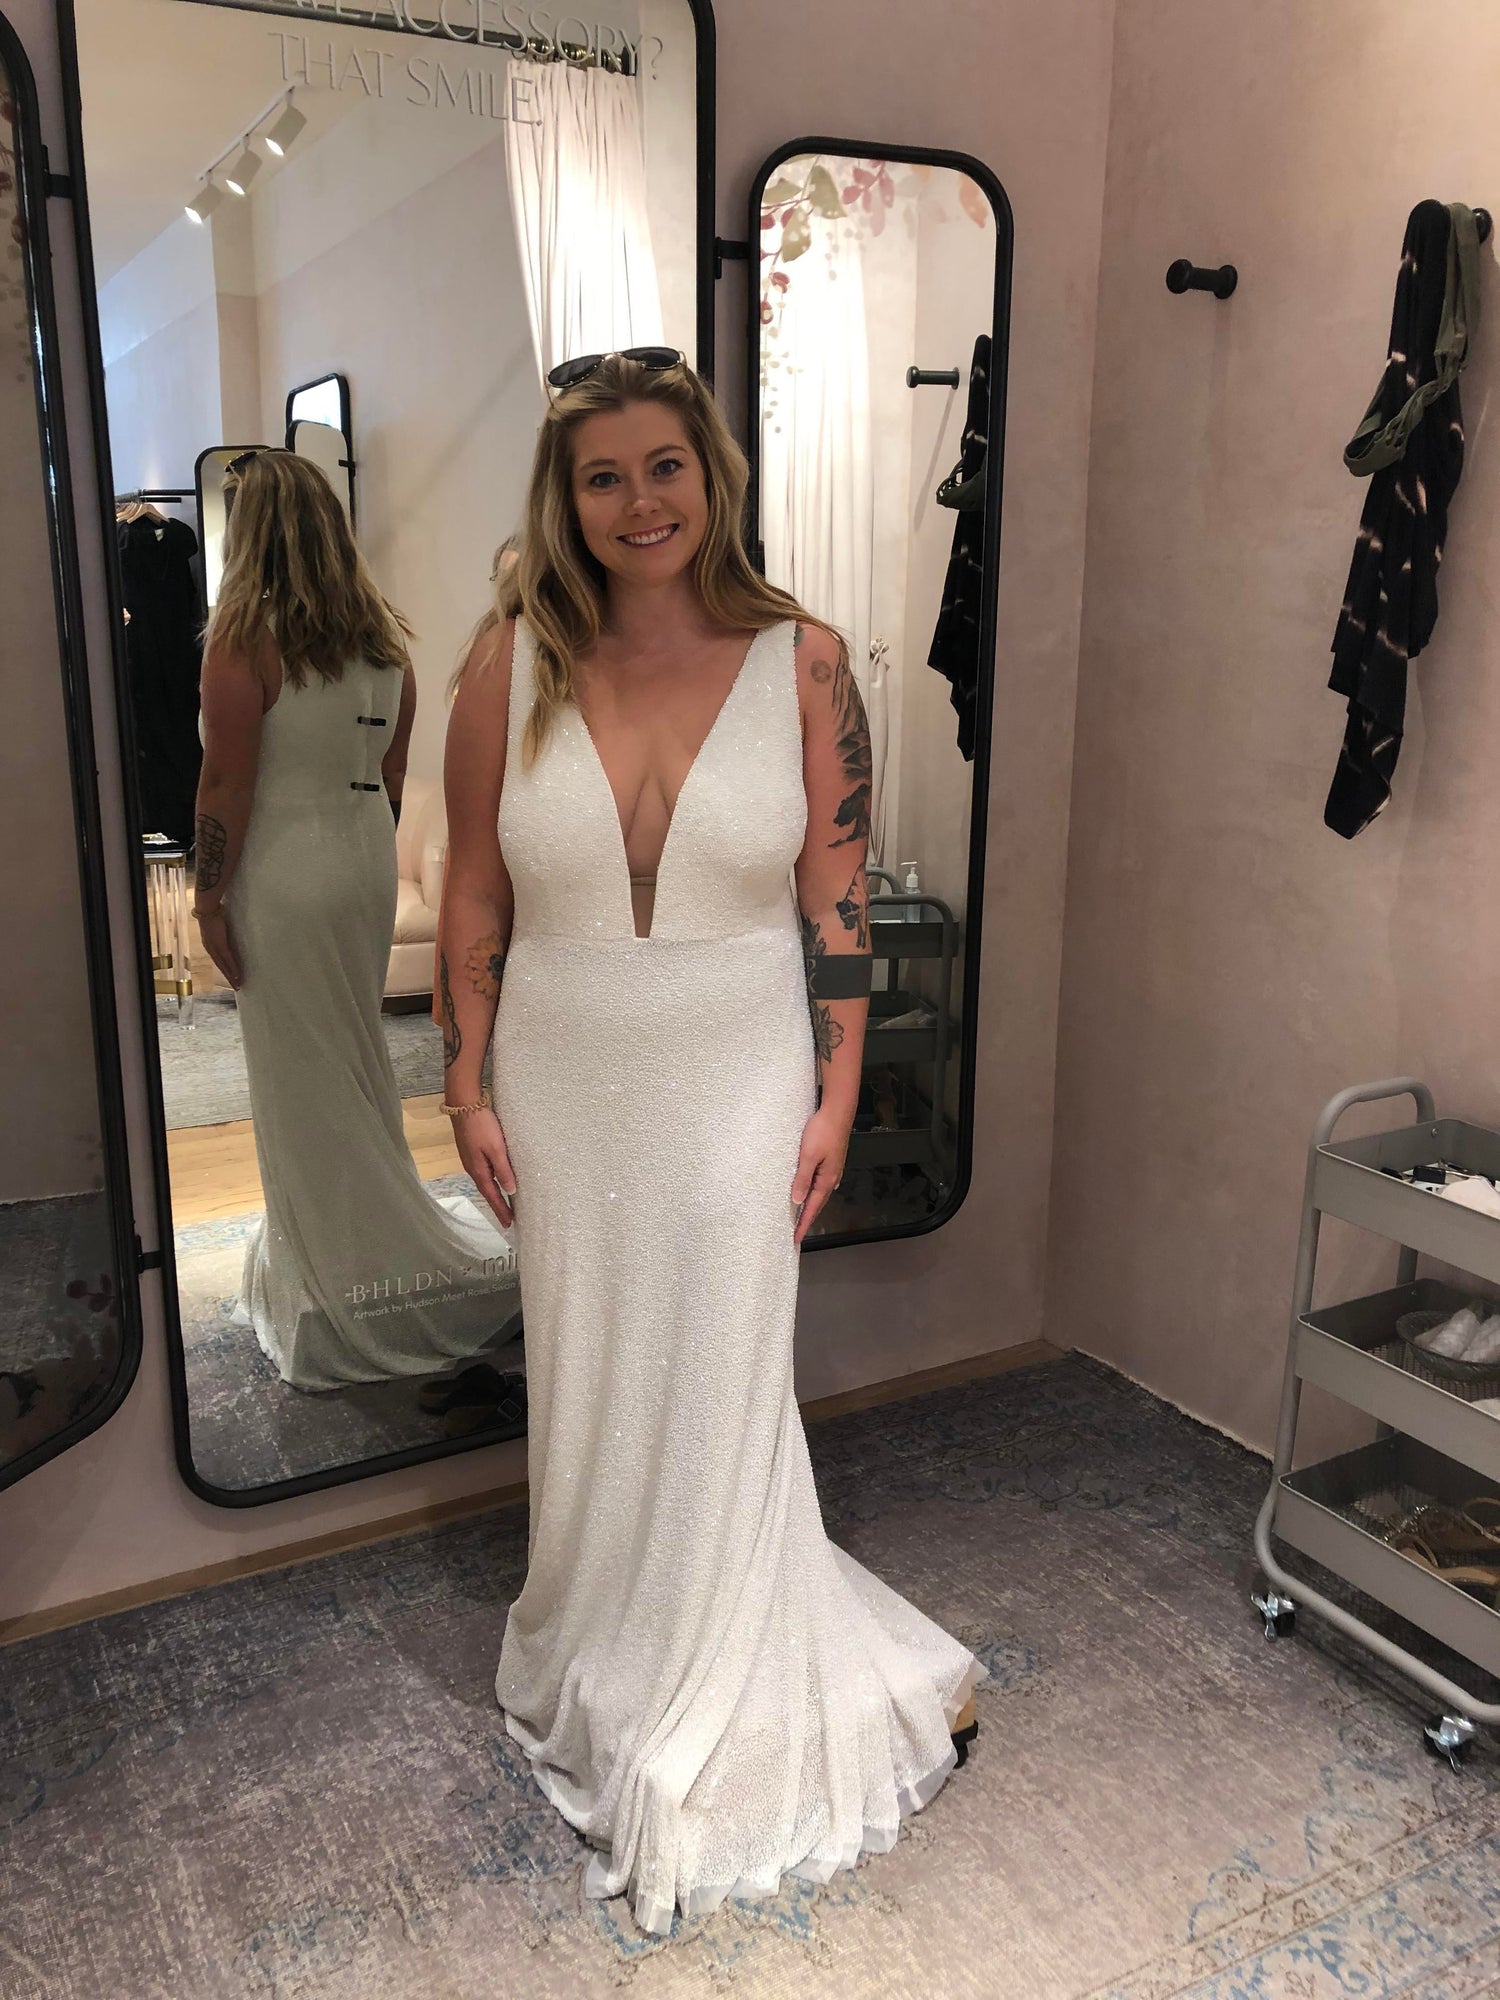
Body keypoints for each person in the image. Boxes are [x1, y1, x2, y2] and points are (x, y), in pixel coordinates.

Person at [439, 350, 982, 1934]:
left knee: (727, 1359)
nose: (639, 503)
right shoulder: (509, 663)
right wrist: (464, 1088)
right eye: (603, 475)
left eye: (664, 466)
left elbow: (837, 899)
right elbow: (472, 891)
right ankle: (602, 1625)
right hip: (565, 1072)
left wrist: (836, 1096)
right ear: (566, 496)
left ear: (711, 476)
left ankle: (714, 1648)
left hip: (742, 1070)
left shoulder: (803, 660)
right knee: (591, 1359)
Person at [191, 449, 522, 1393]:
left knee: (301, 1072)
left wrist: (209, 901)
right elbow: (389, 772)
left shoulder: (242, 642)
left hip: (283, 869)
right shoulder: (385, 642)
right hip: (360, 860)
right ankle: (355, 1241)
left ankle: (341, 1271)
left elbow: (225, 784)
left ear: (251, 532)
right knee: (349, 1054)